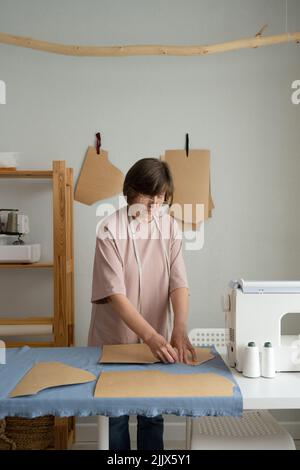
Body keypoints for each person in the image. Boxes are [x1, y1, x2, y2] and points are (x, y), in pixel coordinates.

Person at [88, 157, 196, 450]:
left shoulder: (170, 227)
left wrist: (180, 327)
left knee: (151, 415)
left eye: (161, 197)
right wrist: (150, 336)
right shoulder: (109, 230)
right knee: (117, 417)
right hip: (116, 340)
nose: (154, 204)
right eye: (148, 195)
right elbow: (115, 294)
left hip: (158, 338)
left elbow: (179, 282)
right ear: (130, 190)